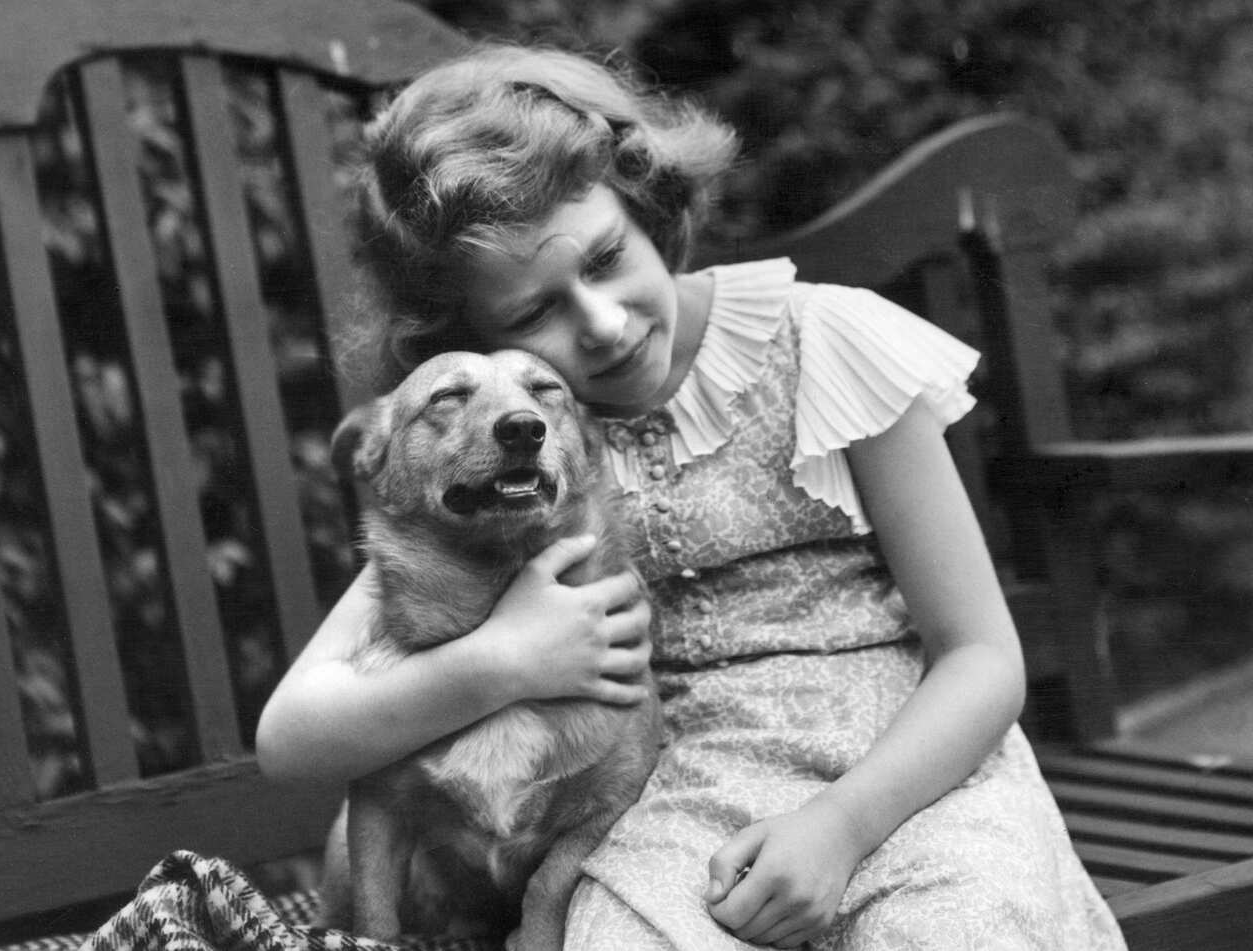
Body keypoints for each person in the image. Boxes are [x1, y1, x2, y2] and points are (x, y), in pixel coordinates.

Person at [256, 43, 1127, 950]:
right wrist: (505, 656)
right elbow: (291, 735)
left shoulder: (822, 343)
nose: (600, 323)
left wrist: (841, 825)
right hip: (677, 805)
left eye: (604, 257)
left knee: (961, 931)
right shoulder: (524, 469)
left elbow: (983, 657)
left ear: (646, 205)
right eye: (530, 314)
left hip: (909, 774)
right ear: (470, 332)